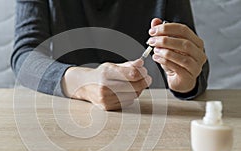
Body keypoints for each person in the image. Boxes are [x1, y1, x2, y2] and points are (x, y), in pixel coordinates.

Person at [11, 0, 209, 111]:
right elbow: (25, 56)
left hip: (156, 119)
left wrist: (184, 81)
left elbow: (190, 55)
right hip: (70, 117)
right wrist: (82, 83)